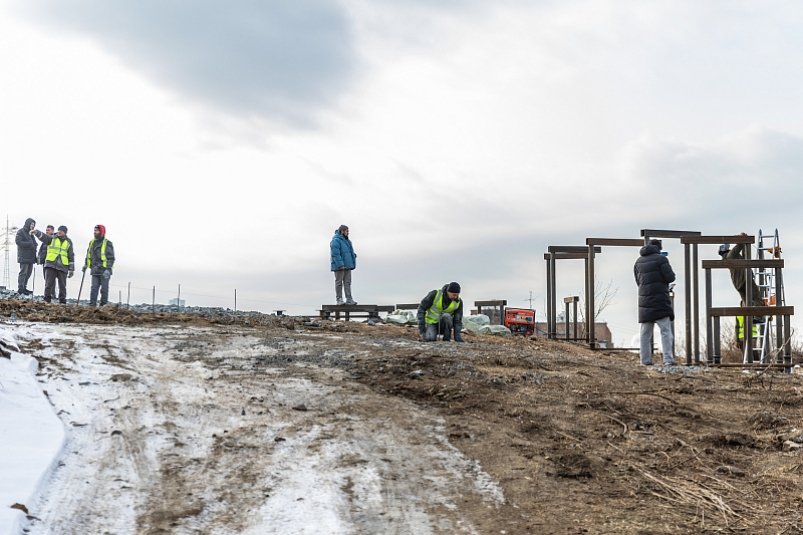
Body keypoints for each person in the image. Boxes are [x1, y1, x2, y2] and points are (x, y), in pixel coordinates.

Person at [634, 239, 676, 366]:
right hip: (660, 301)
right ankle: (668, 360)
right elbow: (670, 277)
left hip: (644, 302)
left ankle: (645, 360)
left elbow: (638, 282)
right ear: (659, 248)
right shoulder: (661, 259)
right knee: (666, 331)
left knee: (645, 334)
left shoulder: (638, 262)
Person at [718, 236, 764, 311]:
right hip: (745, 279)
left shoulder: (727, 259)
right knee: (756, 296)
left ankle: (750, 317)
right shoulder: (731, 255)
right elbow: (740, 245)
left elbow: (744, 257)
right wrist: (743, 236)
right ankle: (758, 316)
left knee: (747, 301)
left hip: (737, 284)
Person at [34, 225, 75, 304]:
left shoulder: (69, 242)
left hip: (63, 266)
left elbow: (71, 255)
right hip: (51, 264)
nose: (59, 232)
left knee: (62, 286)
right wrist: (36, 232)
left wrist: (71, 269)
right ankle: (47, 300)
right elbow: (44, 237)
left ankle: (62, 301)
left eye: (61, 231)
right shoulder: (52, 238)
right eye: (59, 230)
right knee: (48, 284)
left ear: (65, 232)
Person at [83, 224, 115, 306]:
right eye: (94, 231)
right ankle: (92, 305)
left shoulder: (107, 243)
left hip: (104, 270)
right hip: (95, 269)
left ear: (101, 232)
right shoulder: (91, 243)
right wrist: (86, 264)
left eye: (96, 231)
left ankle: (103, 305)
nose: (94, 232)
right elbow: (88, 255)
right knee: (94, 288)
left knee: (104, 289)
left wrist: (108, 268)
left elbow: (111, 258)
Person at [330, 224, 357, 305]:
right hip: (339, 266)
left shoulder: (347, 241)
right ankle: (339, 299)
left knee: (347, 283)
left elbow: (347, 252)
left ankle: (349, 299)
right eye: (347, 231)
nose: (348, 233)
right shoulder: (336, 240)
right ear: (342, 231)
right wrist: (340, 264)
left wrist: (353, 256)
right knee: (339, 283)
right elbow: (335, 253)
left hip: (348, 265)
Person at [15, 217, 37, 295]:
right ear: (27, 223)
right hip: (24, 256)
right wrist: (29, 244)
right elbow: (18, 242)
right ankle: (20, 289)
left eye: (33, 225)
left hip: (31, 257)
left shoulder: (31, 234)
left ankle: (24, 287)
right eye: (31, 224)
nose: (32, 226)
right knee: (23, 273)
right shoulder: (21, 231)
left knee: (29, 273)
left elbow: (34, 244)